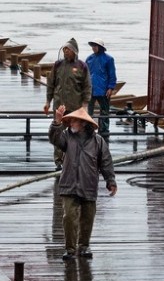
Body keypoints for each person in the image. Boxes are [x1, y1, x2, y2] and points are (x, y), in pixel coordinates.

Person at [48, 104, 118, 261]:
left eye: (74, 121)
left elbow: (106, 162)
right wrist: (56, 123)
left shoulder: (98, 142)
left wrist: (110, 181)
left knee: (88, 217)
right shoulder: (66, 137)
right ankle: (70, 249)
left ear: (83, 123)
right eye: (70, 121)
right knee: (69, 217)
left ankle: (84, 246)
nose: (71, 123)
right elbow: (54, 139)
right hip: (69, 184)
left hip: (89, 184)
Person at [43, 38, 92, 168]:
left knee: (76, 134)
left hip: (75, 108)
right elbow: (51, 84)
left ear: (74, 51)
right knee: (58, 133)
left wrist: (85, 104)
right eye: (64, 49)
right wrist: (48, 101)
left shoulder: (82, 66)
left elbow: (87, 87)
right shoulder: (57, 65)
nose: (66, 51)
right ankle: (58, 162)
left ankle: (74, 159)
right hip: (59, 107)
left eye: (68, 49)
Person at [86, 39, 117, 137]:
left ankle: (104, 129)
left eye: (95, 46)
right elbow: (85, 74)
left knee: (104, 110)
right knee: (88, 110)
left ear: (101, 47)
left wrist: (110, 88)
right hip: (91, 89)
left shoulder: (109, 59)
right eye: (93, 46)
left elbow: (112, 75)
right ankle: (88, 128)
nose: (93, 48)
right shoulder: (89, 59)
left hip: (103, 89)